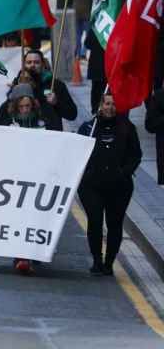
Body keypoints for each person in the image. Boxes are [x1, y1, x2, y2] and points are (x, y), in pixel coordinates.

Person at [79, 93, 142, 276]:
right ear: (100, 105)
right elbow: (77, 152)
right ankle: (97, 260)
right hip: (92, 186)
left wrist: (123, 173)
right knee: (95, 221)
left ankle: (109, 262)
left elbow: (135, 155)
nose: (110, 107)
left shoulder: (127, 128)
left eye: (114, 104)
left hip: (119, 187)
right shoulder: (88, 127)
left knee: (114, 224)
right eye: (107, 103)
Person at [0, 83, 45, 274]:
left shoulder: (42, 124)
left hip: (37, 178)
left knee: (34, 218)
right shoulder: (8, 125)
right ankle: (21, 256)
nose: (25, 110)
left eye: (28, 106)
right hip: (15, 178)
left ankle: (31, 253)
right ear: (15, 107)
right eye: (21, 107)